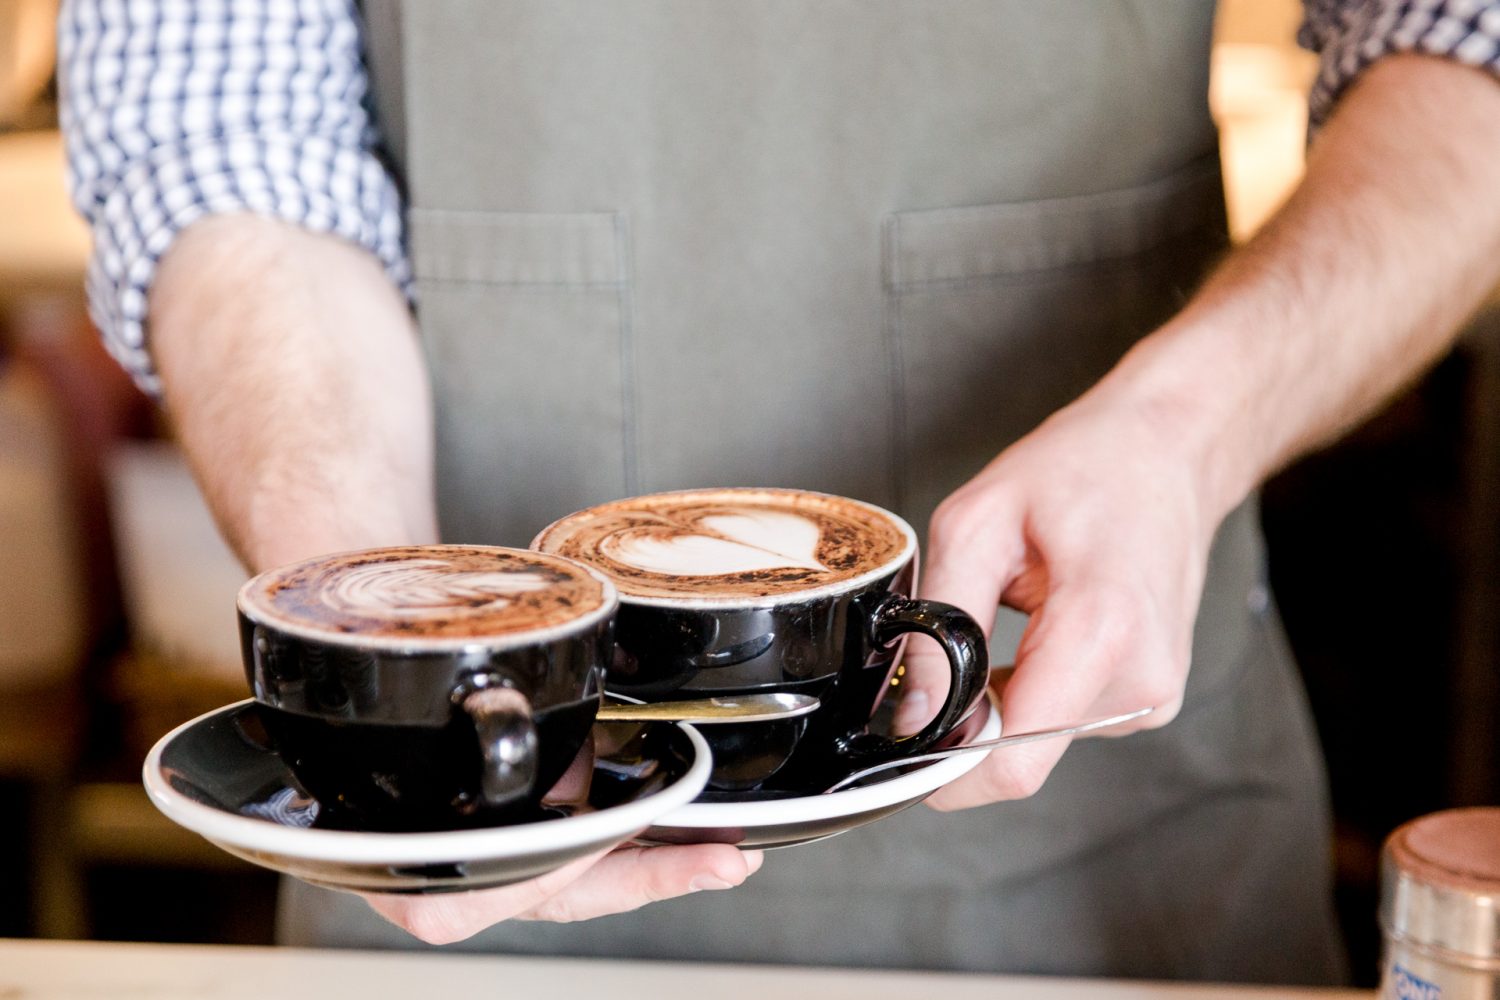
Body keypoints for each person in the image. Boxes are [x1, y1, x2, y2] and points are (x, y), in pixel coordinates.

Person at [57, 0, 1500, 984]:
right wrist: (392, 671)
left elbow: (1463, 39)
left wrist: (1185, 430)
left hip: (1099, 850)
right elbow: (223, 134)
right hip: (468, 876)